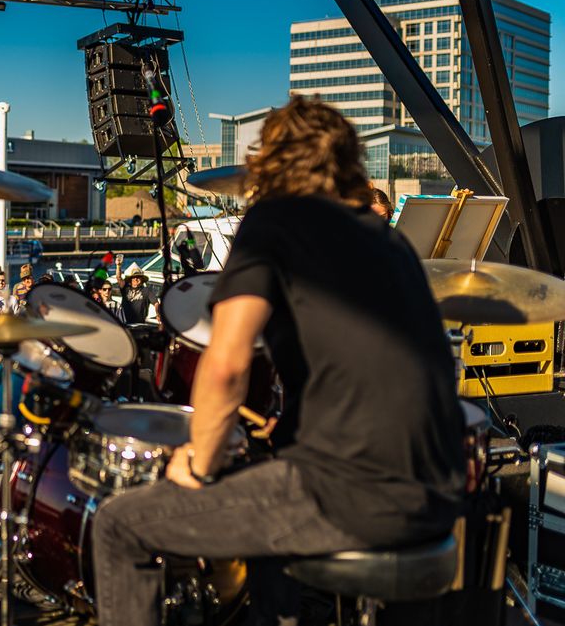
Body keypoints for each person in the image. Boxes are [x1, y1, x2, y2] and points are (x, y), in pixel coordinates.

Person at [91, 97, 465, 626]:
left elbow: (225, 365)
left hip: (351, 495)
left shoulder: (275, 220)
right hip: (438, 490)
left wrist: (198, 462)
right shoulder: (387, 239)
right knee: (264, 481)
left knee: (119, 525)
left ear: (270, 161)